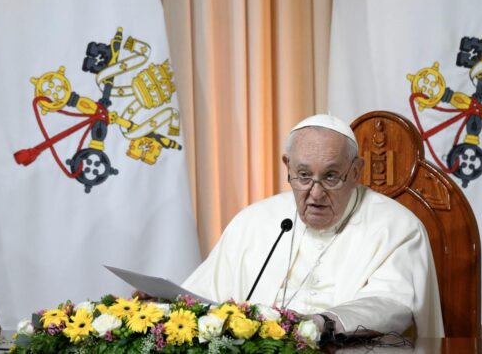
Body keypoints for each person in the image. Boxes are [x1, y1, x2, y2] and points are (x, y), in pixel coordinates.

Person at [182, 114, 444, 338]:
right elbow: (201, 294)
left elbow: (392, 304)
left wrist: (322, 323)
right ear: (288, 166)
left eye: (331, 176)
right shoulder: (254, 221)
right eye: (304, 176)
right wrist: (162, 306)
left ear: (355, 172)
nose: (315, 194)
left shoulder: (397, 226)